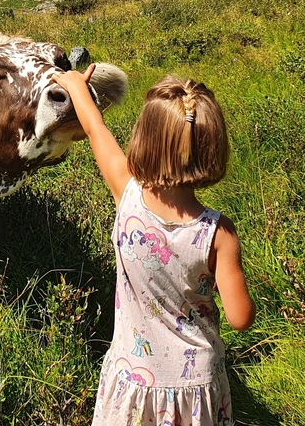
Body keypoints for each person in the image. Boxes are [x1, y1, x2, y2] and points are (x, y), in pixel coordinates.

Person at [52, 66, 256, 426]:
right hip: (196, 388)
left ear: (144, 139)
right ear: (212, 147)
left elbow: (95, 129)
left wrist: (75, 86)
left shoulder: (127, 194)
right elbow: (241, 319)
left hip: (133, 376)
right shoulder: (219, 232)